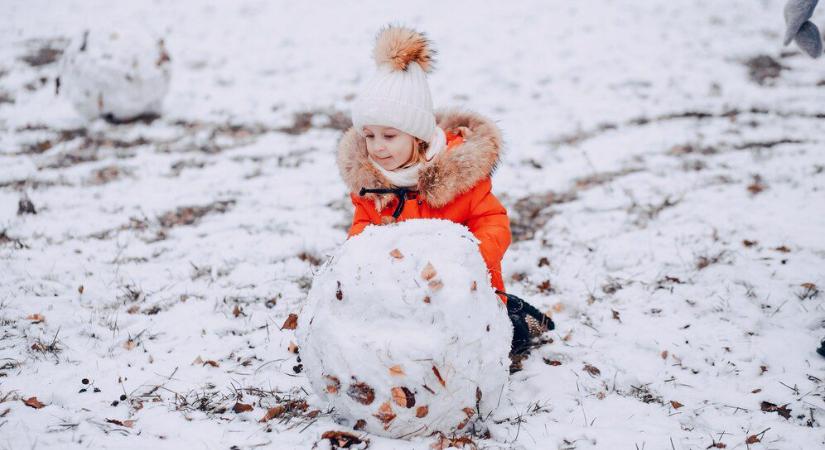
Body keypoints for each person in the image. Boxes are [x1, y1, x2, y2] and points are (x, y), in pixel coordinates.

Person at [336, 25, 554, 357]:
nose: (377, 147)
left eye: (389, 136)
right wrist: (365, 262)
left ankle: (514, 313)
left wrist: (471, 260)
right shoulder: (372, 185)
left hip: (463, 290)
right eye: (370, 136)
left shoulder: (458, 178)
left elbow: (493, 221)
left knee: (506, 342)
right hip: (404, 295)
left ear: (418, 136)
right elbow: (362, 230)